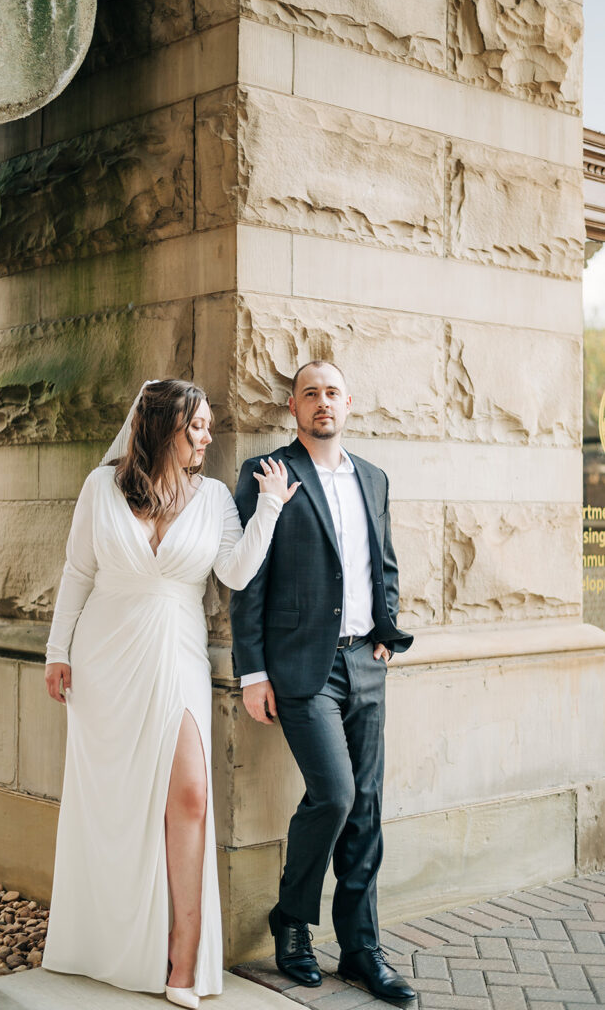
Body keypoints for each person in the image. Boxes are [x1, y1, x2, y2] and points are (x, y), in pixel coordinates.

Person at [41, 378, 298, 1009]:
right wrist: (57, 650)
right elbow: (78, 572)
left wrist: (268, 509)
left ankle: (183, 956)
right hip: (104, 659)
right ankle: (117, 942)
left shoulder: (213, 497)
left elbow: (235, 571)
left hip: (177, 651)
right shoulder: (101, 488)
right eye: (197, 426)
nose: (207, 437)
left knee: (188, 792)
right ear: (161, 427)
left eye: (209, 425)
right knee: (117, 805)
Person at [230, 361, 416, 1004]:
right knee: (334, 796)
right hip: (302, 669)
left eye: (332, 392)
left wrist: (387, 632)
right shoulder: (267, 474)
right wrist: (252, 670)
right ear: (293, 405)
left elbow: (382, 562)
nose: (322, 402)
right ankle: (291, 920)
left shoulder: (374, 477)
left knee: (365, 808)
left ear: (349, 402)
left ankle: (361, 948)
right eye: (310, 393)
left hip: (367, 661)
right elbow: (247, 579)